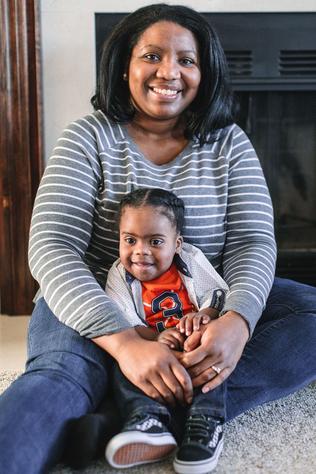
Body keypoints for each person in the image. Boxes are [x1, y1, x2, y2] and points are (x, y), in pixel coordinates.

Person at [0, 3, 315, 474]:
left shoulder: (228, 143)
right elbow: (51, 246)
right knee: (55, 383)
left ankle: (137, 410)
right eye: (152, 55)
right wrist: (125, 343)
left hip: (194, 312)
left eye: (187, 60)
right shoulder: (88, 137)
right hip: (98, 309)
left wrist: (237, 322)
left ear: (204, 73)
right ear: (125, 63)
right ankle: (139, 392)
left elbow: (253, 242)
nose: (169, 72)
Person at [104, 188, 228, 472]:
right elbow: (123, 321)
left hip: (194, 346)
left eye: (156, 241)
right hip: (151, 351)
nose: (140, 252)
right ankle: (148, 421)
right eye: (130, 240)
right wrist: (157, 338)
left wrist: (202, 317)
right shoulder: (119, 274)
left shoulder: (190, 259)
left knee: (215, 366)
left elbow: (218, 295)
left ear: (177, 244)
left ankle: (205, 422)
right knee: (121, 368)